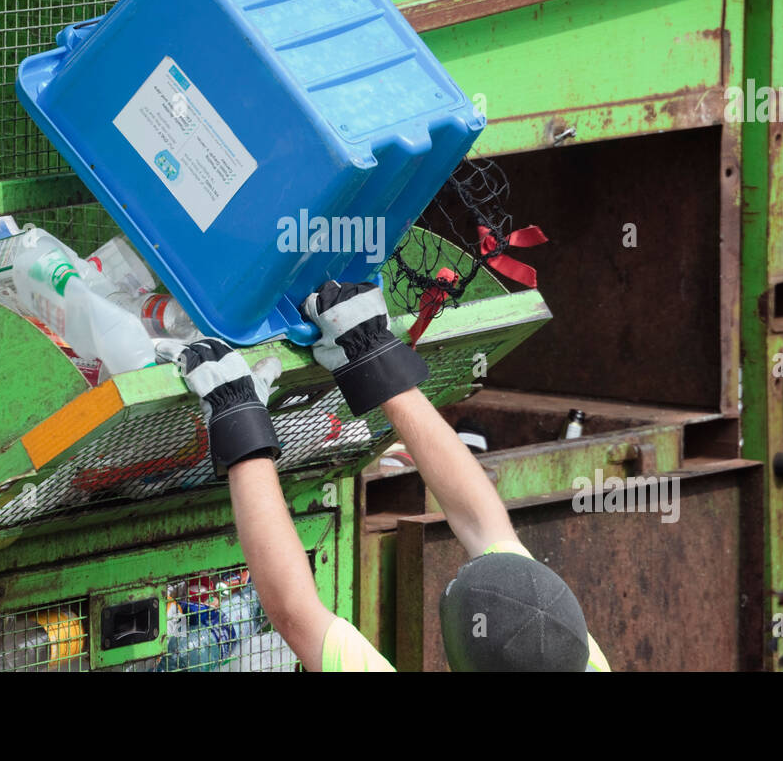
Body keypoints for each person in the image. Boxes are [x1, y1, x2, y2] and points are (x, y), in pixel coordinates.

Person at [158, 281, 609, 672]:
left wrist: (238, 417)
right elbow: (484, 522)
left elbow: (296, 615)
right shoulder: (574, 657)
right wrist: (369, 350)